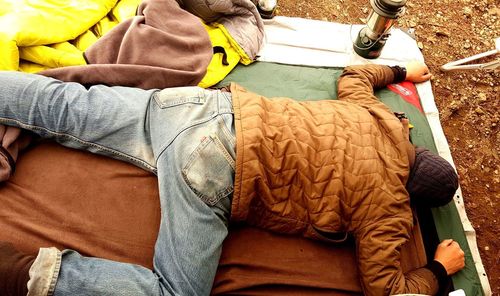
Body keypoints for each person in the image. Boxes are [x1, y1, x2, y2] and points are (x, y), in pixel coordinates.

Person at [0, 62, 465, 296]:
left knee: (68, 106)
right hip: (213, 167)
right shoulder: (388, 210)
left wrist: (402, 71)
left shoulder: (378, 116)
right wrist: (438, 272)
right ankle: (25, 274)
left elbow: (355, 74)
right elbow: (385, 289)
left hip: (203, 106)